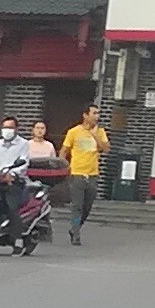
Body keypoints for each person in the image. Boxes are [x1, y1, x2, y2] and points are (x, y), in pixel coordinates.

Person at [59, 102, 109, 246]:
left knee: (87, 207)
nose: (97, 116)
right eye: (94, 113)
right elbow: (64, 151)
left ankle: (76, 227)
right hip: (77, 174)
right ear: (85, 115)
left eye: (98, 114)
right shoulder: (74, 132)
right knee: (77, 206)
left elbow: (106, 149)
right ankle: (76, 233)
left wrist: (95, 136)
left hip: (92, 174)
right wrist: (63, 166)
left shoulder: (100, 132)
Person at [0, 114, 32, 244]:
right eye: (5, 127)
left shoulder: (23, 144)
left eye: (10, 127)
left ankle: (17, 240)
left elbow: (24, 164)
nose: (7, 130)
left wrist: (11, 174)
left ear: (17, 129)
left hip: (14, 181)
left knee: (12, 207)